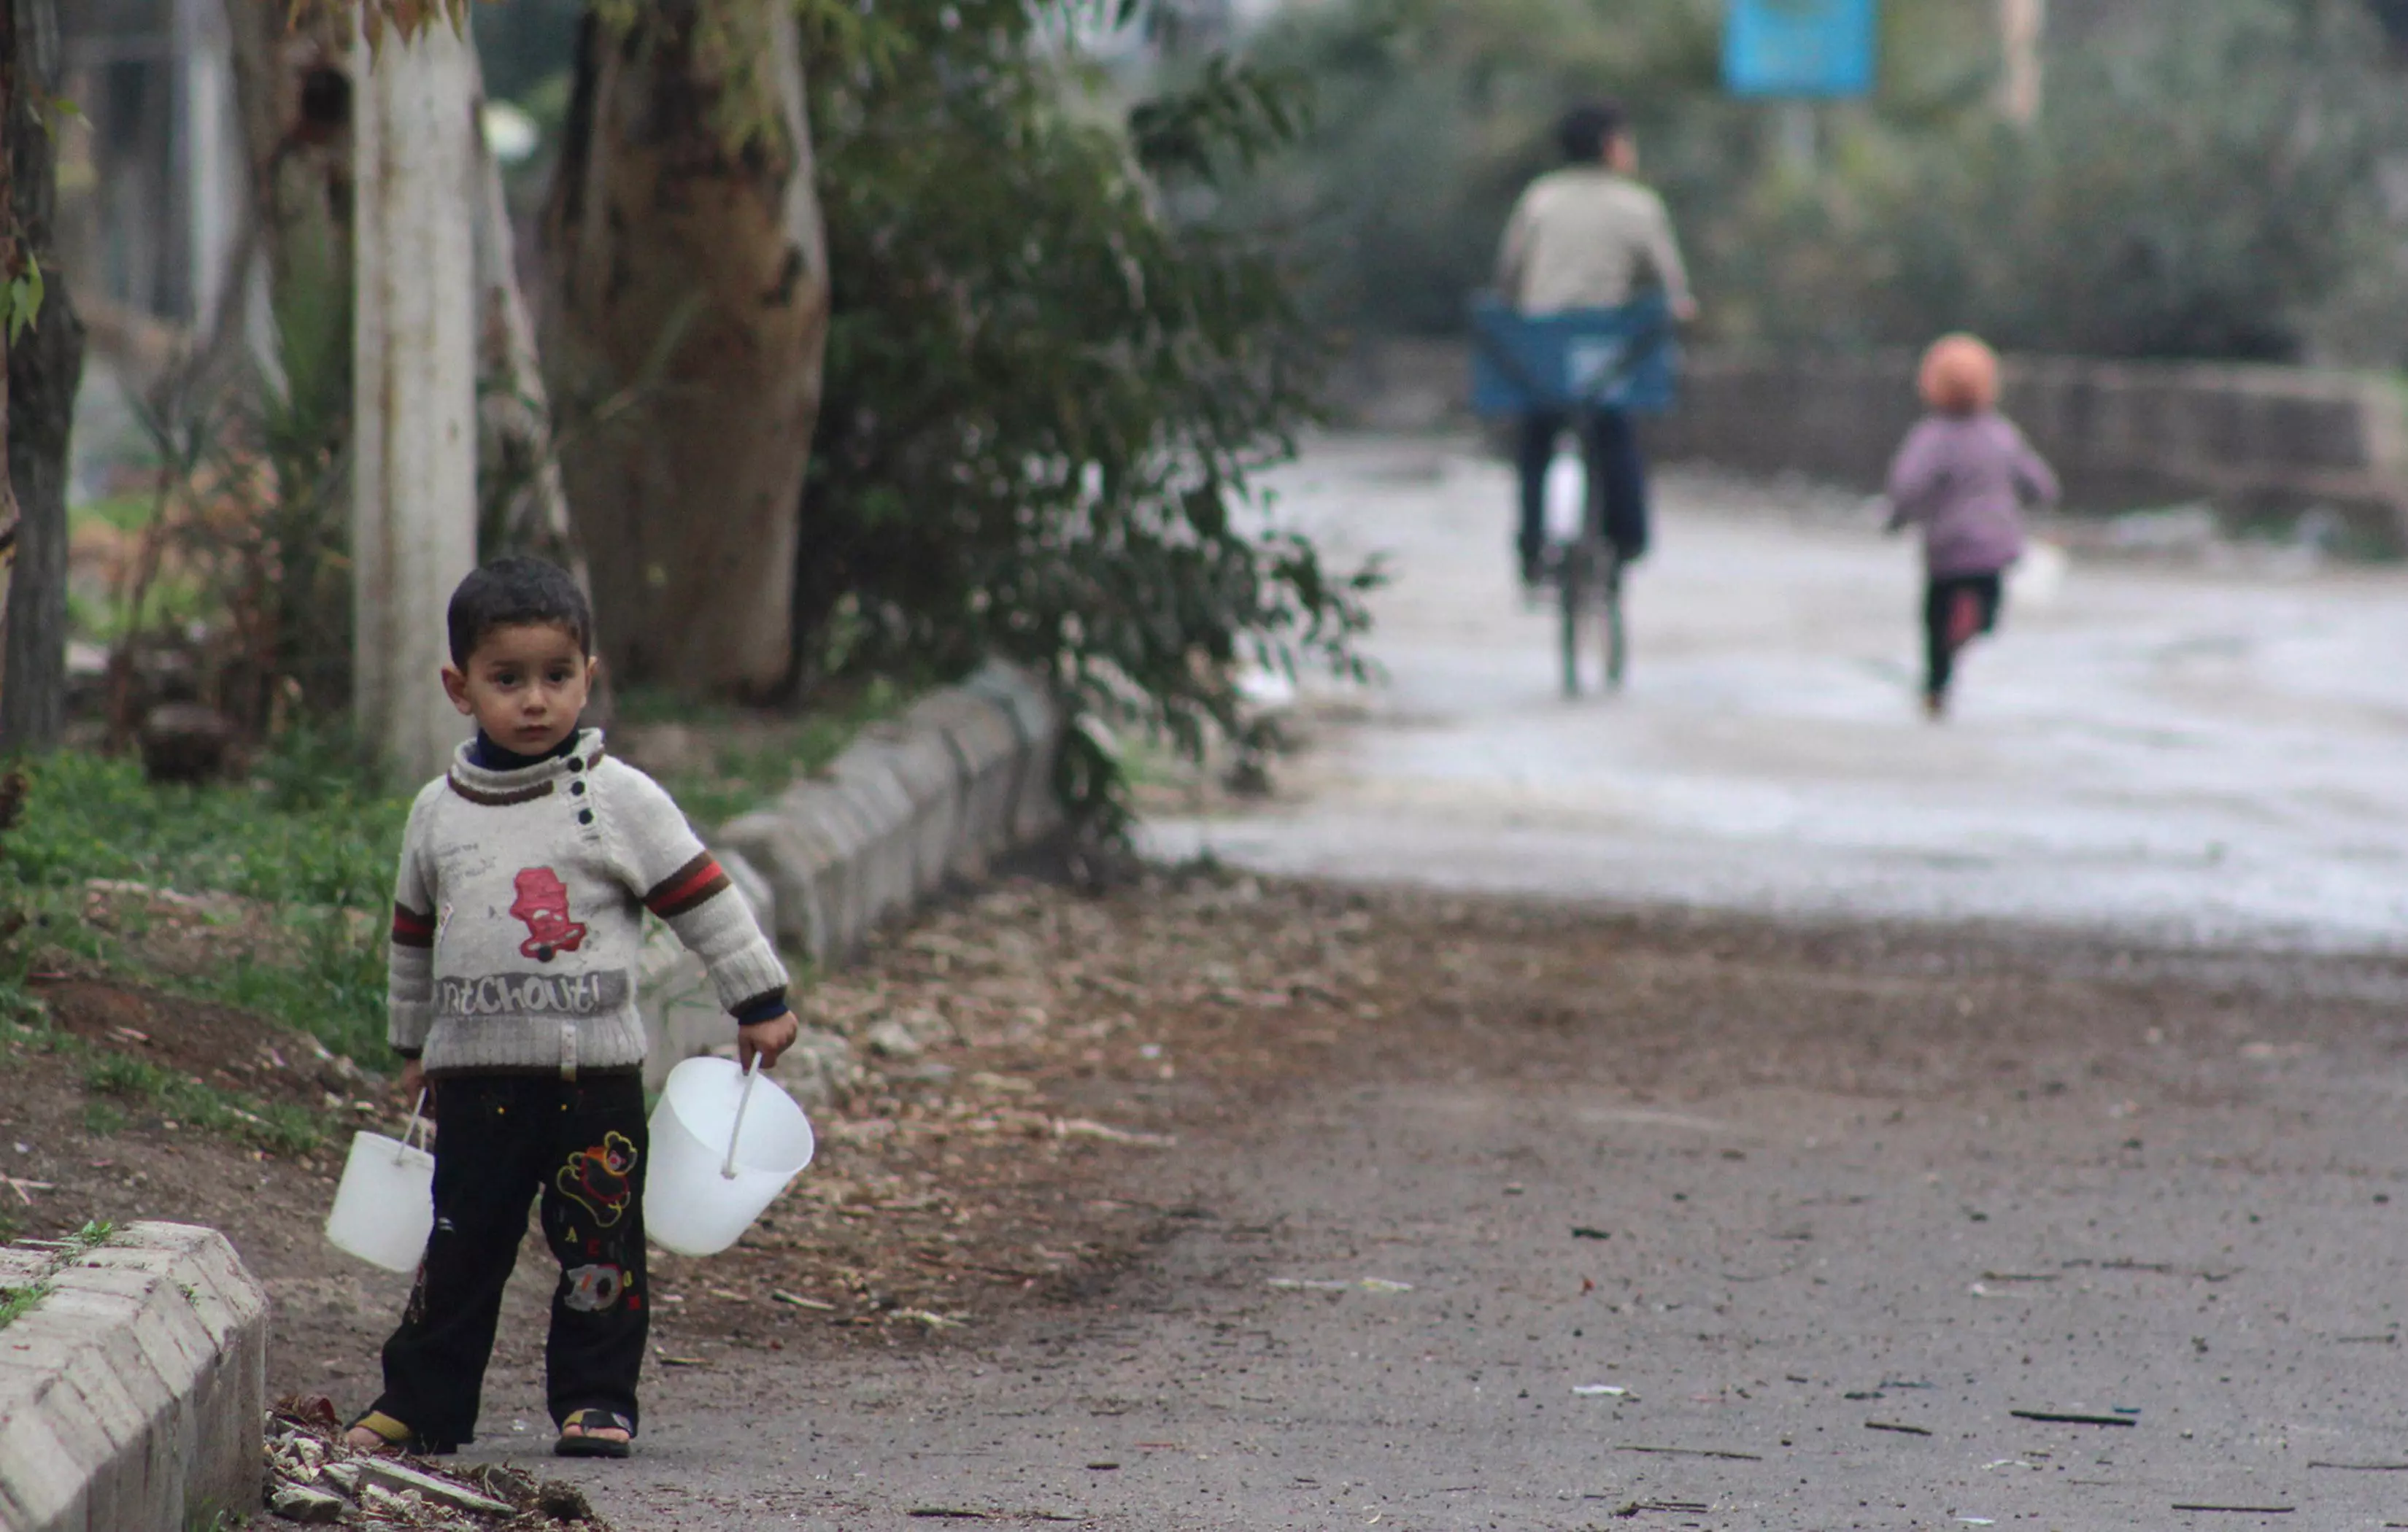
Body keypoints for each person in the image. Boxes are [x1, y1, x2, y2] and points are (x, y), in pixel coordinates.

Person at [343, 555, 800, 1461]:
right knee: (459, 1249)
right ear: (459, 688)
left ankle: (597, 1400)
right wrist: (411, 1045)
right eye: (507, 680)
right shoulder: (437, 814)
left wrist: (760, 998)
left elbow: (703, 898)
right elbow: (412, 939)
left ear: (588, 677)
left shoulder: (619, 799)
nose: (536, 701)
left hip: (591, 1079)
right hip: (474, 1083)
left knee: (599, 1249)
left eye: (557, 677)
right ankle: (422, 1401)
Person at [1495, 99, 1696, 589]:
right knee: (1615, 433)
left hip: (1543, 353)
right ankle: (1626, 539)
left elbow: (1508, 279)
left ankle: (1531, 543)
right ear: (1612, 146)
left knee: (1537, 440)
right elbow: (1671, 287)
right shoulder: (1639, 206)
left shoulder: (1539, 200)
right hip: (1606, 350)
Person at [1883, 333, 2061, 719]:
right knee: (1987, 611)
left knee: (1935, 628)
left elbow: (1908, 487)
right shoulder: (2001, 434)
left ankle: (1935, 692)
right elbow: (2040, 483)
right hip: (1995, 547)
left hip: (1947, 551)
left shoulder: (1931, 436)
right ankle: (1974, 622)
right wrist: (2038, 504)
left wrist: (1896, 521)